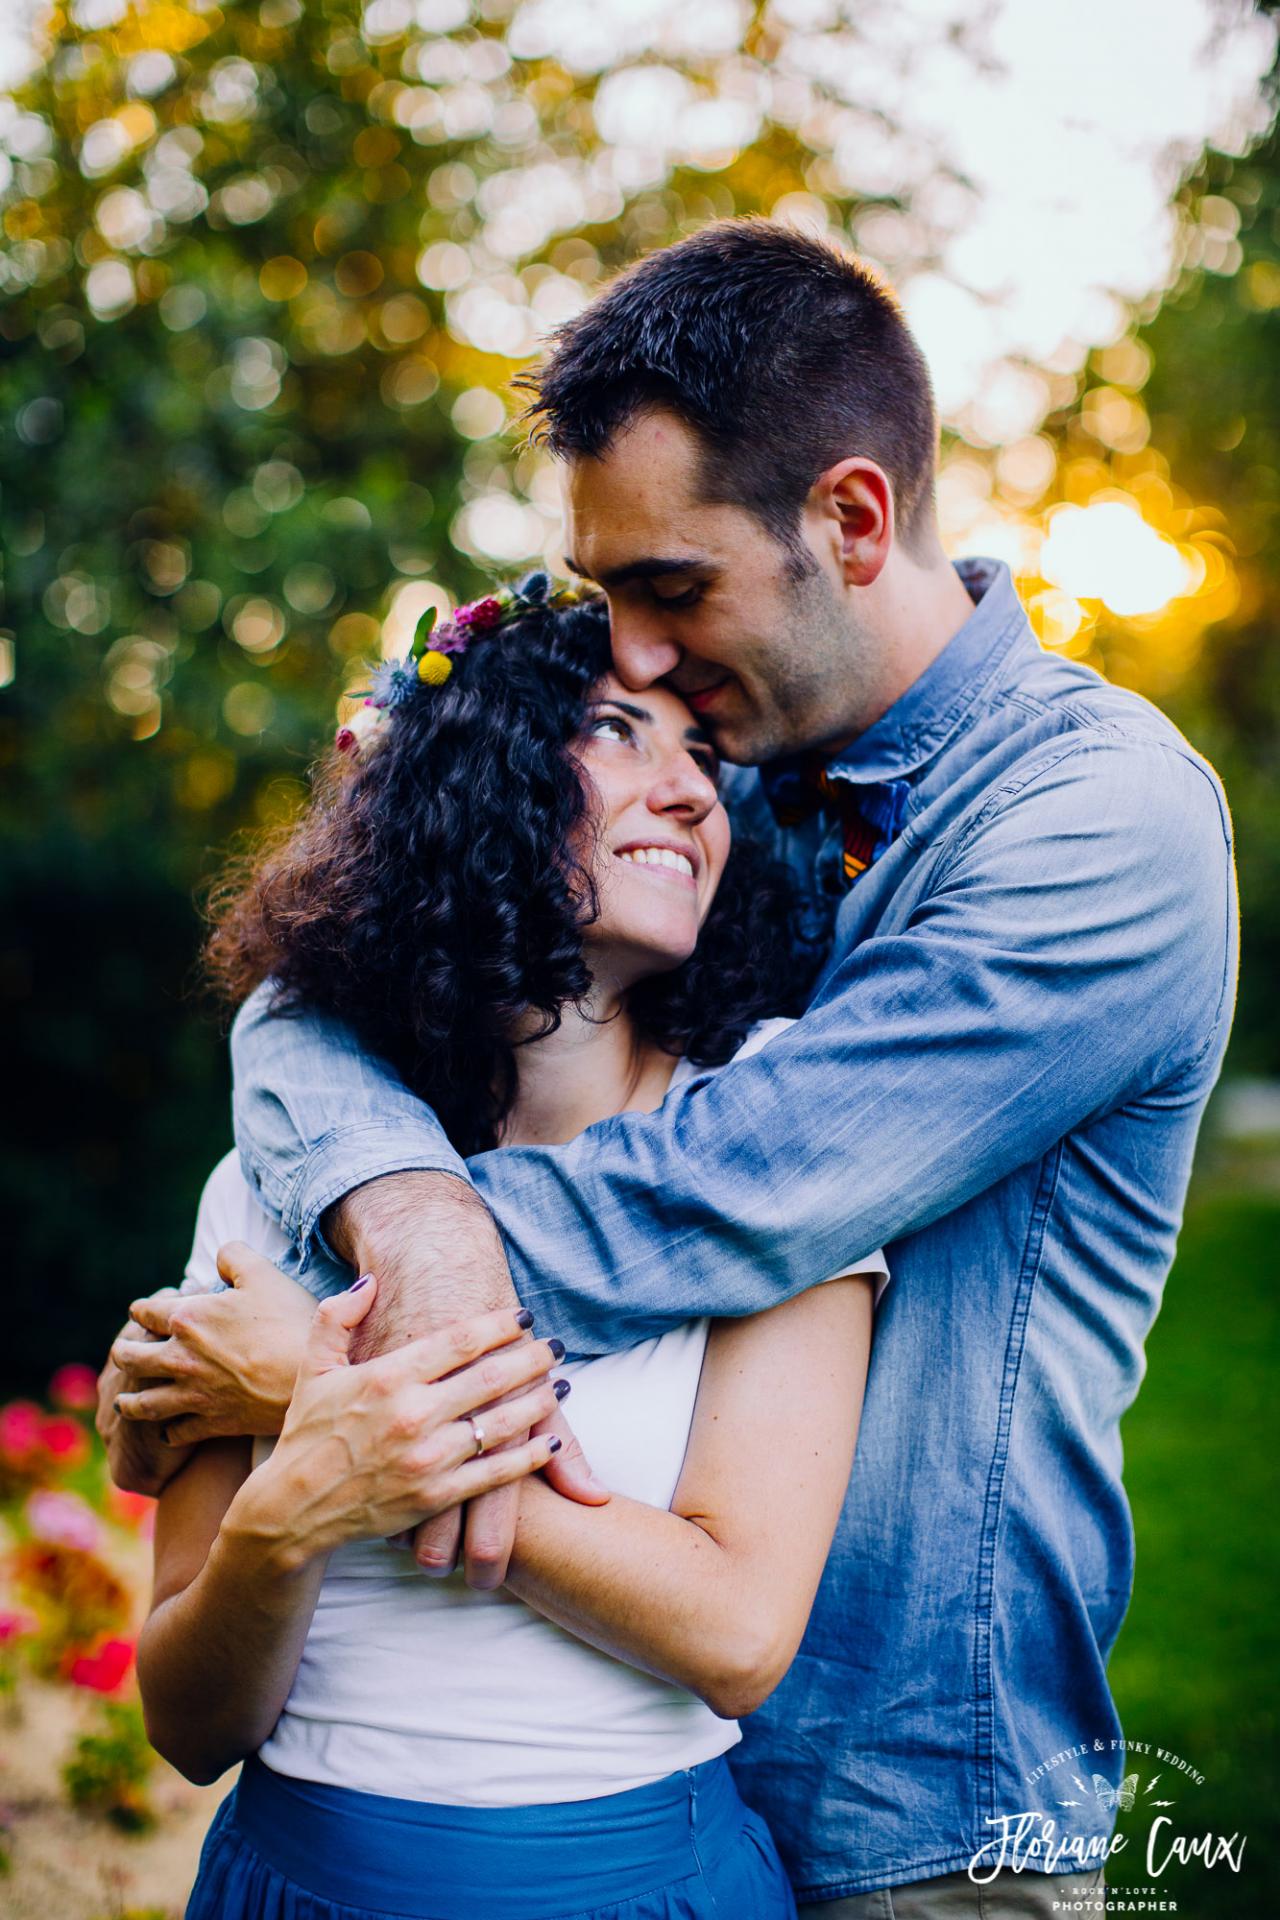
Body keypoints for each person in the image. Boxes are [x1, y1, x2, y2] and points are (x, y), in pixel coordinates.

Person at [103, 220, 1237, 1917]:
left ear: (851, 522)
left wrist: (321, 1382)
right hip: (654, 1786)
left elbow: (719, 1196)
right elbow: (312, 1008)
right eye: (613, 604)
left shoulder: (1098, 827)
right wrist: (390, 1207)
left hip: (912, 1805)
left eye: (668, 586)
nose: (631, 653)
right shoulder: (742, 767)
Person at [122, 584, 889, 1920]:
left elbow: (738, 1633)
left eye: (704, 759)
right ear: (476, 784)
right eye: (615, 731)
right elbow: (190, 1728)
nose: (693, 794)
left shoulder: (773, 1156)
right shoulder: (269, 1189)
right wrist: (289, 1519)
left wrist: (322, 1397)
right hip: (292, 1884)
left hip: (637, 1886)